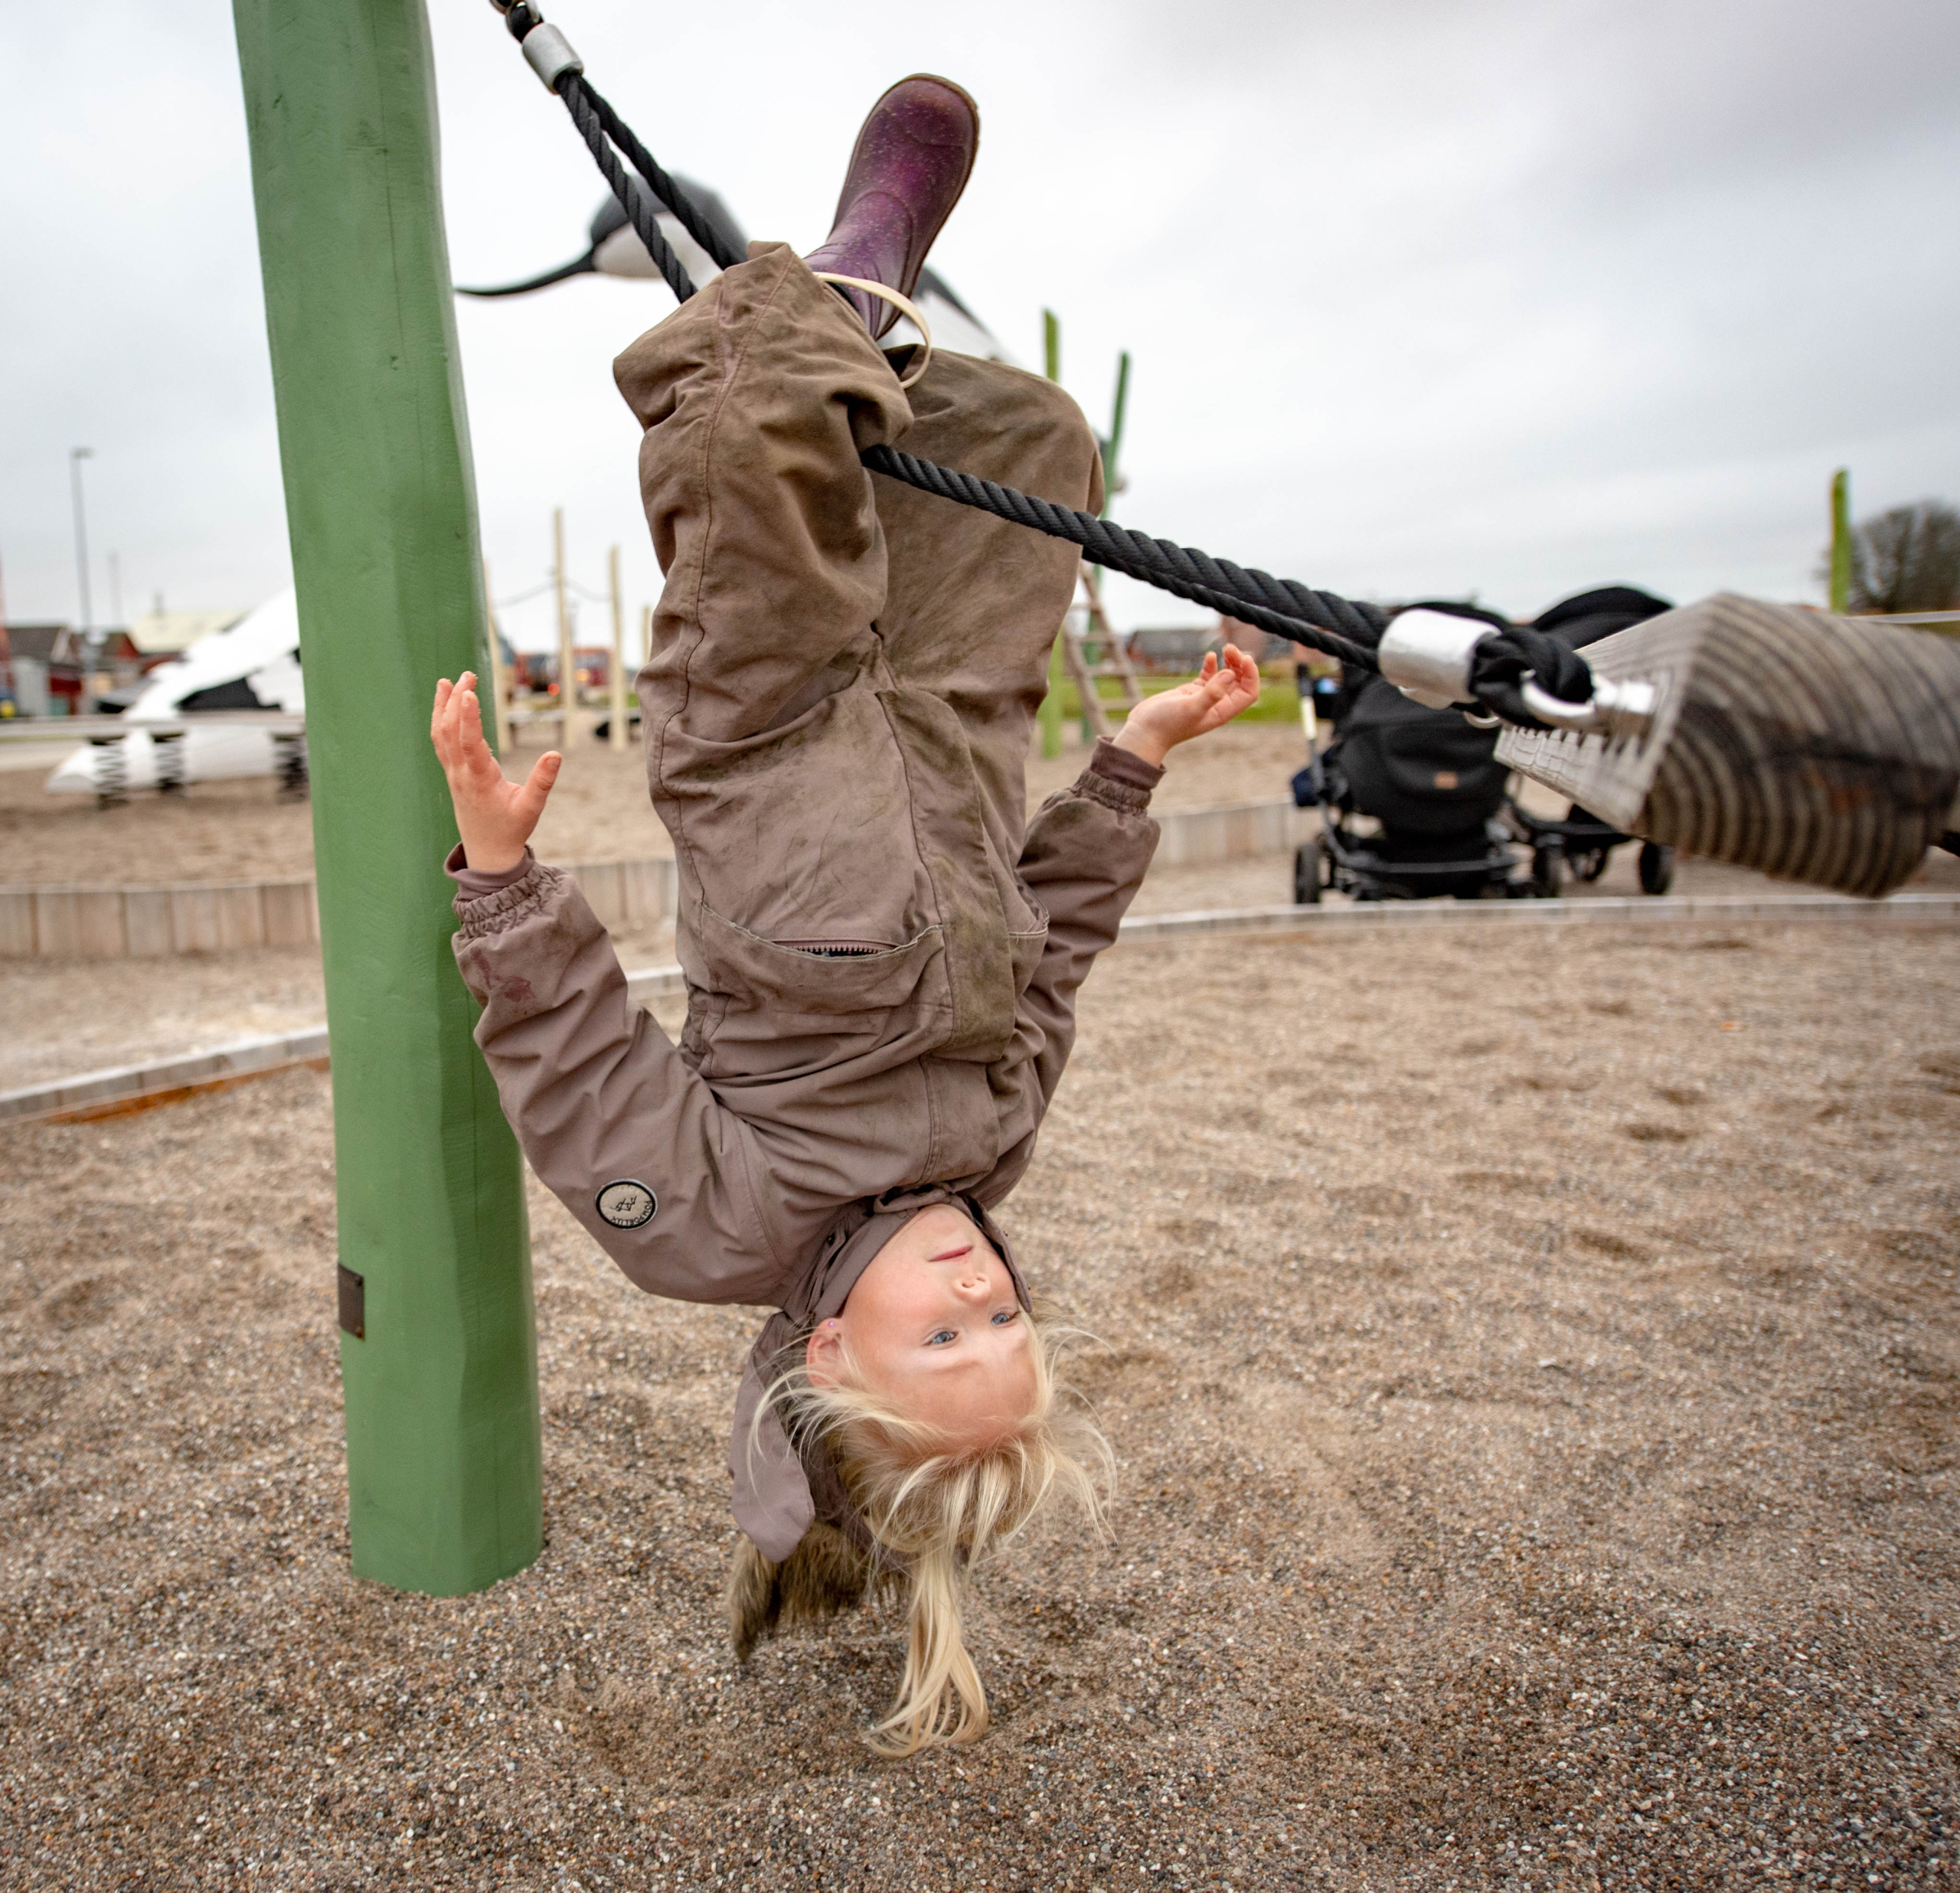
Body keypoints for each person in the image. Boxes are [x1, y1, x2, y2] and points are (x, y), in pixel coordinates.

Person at [429, 74, 1261, 1754]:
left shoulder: (717, 1229)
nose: (975, 1281)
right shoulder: (989, 1146)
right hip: (954, 735)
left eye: (941, 1330)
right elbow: (1058, 960)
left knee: (746, 456)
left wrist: (504, 876)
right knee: (1035, 444)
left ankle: (842, 287)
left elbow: (578, 1064)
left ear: (825, 1344)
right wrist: (1126, 765)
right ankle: (862, 348)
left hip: (772, 756)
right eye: (1005, 1318)